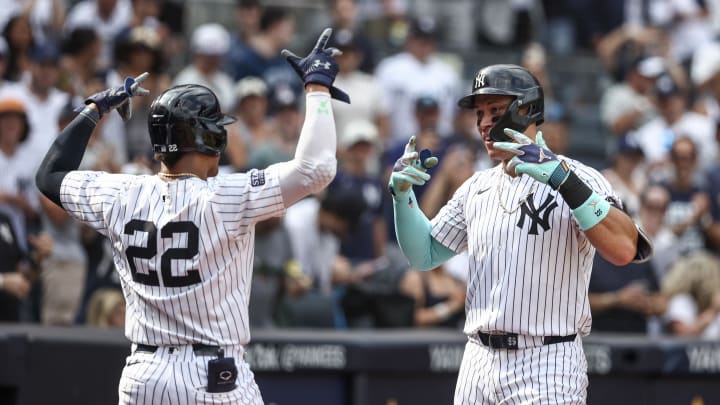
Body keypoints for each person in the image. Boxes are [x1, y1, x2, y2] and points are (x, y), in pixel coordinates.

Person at [35, 28, 348, 404]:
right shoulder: (227, 195)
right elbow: (317, 168)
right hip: (212, 376)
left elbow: (50, 175)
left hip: (143, 376)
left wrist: (94, 110)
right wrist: (317, 87)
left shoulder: (120, 192)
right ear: (209, 139)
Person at [388, 64, 653, 403]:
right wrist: (402, 196)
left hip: (545, 361)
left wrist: (563, 180)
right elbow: (423, 255)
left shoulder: (579, 176)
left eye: (496, 111)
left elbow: (624, 249)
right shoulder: (476, 187)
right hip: (477, 360)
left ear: (526, 110)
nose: (484, 122)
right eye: (480, 113)